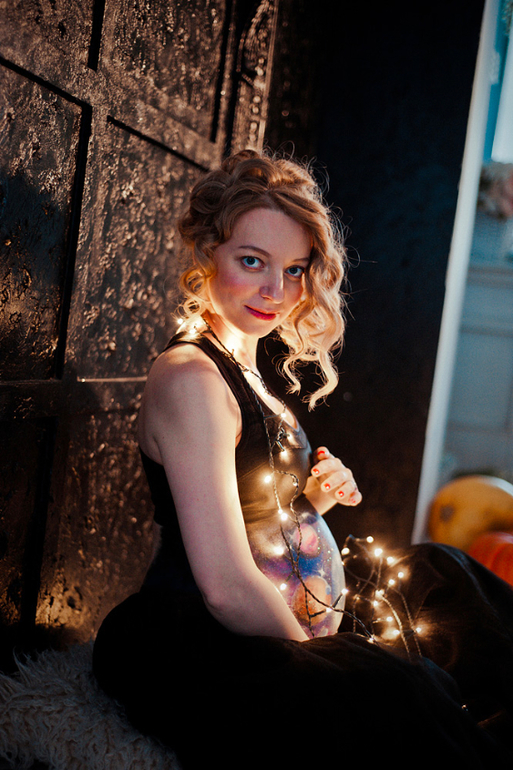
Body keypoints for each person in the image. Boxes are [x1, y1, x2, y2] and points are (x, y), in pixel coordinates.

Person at [93, 150, 513, 769]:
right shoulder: (192, 379)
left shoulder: (244, 364)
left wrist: (313, 500)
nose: (276, 291)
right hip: (211, 635)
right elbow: (226, 587)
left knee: (446, 576)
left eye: (293, 269)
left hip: (294, 612)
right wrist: (330, 659)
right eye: (252, 261)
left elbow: (258, 514)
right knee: (396, 686)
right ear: (207, 252)